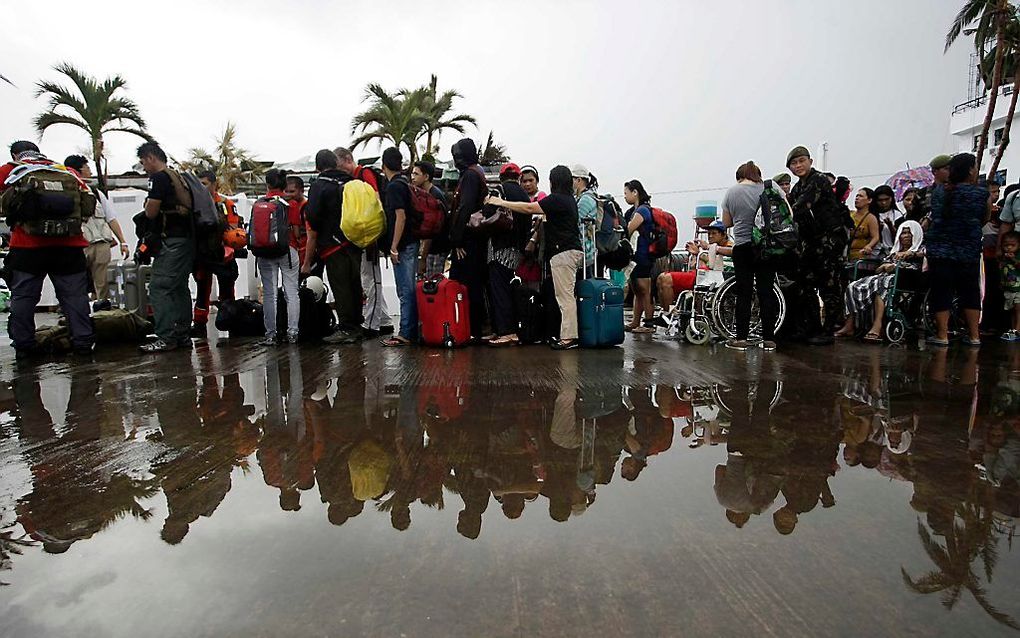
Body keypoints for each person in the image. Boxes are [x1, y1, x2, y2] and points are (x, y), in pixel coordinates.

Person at [0, 141, 95, 358]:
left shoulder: (11, 170)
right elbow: (88, 202)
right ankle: (82, 342)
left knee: (24, 297)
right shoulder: (65, 171)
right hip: (69, 247)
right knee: (75, 297)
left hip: (28, 247)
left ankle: (25, 345)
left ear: (16, 154)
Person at [486, 166, 582, 350]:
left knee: (565, 296)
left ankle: (569, 337)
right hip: (569, 251)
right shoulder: (568, 199)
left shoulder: (558, 199)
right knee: (565, 294)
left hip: (563, 252)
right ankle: (568, 335)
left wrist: (502, 202)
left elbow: (529, 208)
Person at [787, 145, 848, 345]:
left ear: (810, 162)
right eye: (794, 164)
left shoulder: (818, 180)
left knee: (829, 286)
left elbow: (801, 206)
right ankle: (811, 327)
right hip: (809, 244)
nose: (798, 166)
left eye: (801, 161)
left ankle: (828, 330)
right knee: (804, 286)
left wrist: (784, 213)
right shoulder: (797, 188)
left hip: (828, 241)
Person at [137, 141, 195, 353]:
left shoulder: (159, 178)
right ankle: (181, 334)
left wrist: (146, 207)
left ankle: (166, 336)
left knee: (160, 287)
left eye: (143, 162)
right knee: (178, 287)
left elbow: (151, 212)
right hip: (186, 240)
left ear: (151, 158)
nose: (144, 167)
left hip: (171, 240)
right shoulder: (178, 176)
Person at [303, 149, 364, 344]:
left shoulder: (320, 185)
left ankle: (347, 328)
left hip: (332, 244)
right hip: (354, 240)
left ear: (318, 166)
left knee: (341, 286)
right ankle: (357, 322)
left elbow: (312, 215)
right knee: (355, 284)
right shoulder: (350, 181)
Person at [925, 153, 985, 347]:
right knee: (970, 291)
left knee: (941, 291)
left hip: (940, 250)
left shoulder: (940, 192)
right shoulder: (981, 193)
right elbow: (983, 218)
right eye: (975, 167)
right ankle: (974, 335)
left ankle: (942, 335)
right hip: (968, 249)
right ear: (969, 170)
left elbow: (936, 216)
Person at [334, 146, 394, 339]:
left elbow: (374, 202)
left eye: (339, 165)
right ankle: (384, 321)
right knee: (369, 279)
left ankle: (371, 324)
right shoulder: (358, 177)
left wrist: (371, 233)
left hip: (370, 238)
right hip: (368, 236)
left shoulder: (364, 175)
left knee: (371, 281)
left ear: (347, 159)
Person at [722, 161, 779, 351]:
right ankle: (769, 338)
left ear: (740, 175)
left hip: (744, 246)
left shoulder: (732, 192)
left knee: (744, 292)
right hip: (767, 248)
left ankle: (741, 338)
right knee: (766, 291)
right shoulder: (770, 188)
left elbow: (727, 222)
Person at [836, 221, 924, 341]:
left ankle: (877, 325)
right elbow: (878, 270)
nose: (906, 236)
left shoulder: (920, 251)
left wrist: (902, 260)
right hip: (882, 277)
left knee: (881, 286)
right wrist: (885, 266)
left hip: (904, 279)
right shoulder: (893, 252)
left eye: (909, 233)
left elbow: (918, 266)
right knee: (852, 286)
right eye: (903, 233)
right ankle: (849, 325)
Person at [63, 155, 129, 308]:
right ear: (79, 170)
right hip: (77, 245)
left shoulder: (95, 193)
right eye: (87, 167)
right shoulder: (65, 192)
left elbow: (110, 218)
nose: (90, 171)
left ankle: (101, 313)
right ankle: (79, 313)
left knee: (102, 284)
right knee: (76, 282)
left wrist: (122, 241)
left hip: (100, 244)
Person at [448, 138, 489, 340]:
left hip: (468, 241)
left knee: (465, 285)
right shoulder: (475, 173)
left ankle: (470, 329)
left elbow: (465, 207)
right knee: (470, 285)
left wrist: (457, 239)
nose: (455, 159)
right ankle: (470, 328)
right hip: (472, 239)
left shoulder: (470, 176)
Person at [191, 170, 241, 336]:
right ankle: (199, 324)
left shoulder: (226, 205)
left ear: (214, 185)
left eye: (205, 184)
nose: (202, 188)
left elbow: (234, 230)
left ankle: (230, 320)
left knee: (227, 290)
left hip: (222, 253)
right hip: (202, 254)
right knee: (202, 290)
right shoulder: (194, 204)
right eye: (199, 184)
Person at [487, 163, 531, 346]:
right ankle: (511, 329)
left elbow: (488, 213)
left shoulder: (499, 190)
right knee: (508, 288)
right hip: (516, 250)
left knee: (500, 290)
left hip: (499, 248)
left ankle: (507, 331)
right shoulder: (524, 196)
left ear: (502, 176)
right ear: (518, 176)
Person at [257, 168, 302, 345]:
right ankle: (292, 332)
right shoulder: (290, 204)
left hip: (264, 251)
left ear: (267, 184)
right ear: (284, 185)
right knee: (291, 291)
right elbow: (297, 232)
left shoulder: (259, 203)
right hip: (287, 250)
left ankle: (271, 334)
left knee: (269, 294)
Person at [379, 147, 418, 347]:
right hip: (411, 242)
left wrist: (393, 246)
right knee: (408, 288)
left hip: (403, 245)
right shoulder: (405, 183)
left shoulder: (394, 186)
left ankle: (405, 333)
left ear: (383, 165)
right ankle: (412, 329)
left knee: (405, 290)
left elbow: (400, 217)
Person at [656, 221, 732, 314]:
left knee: (665, 279)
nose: (710, 236)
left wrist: (699, 253)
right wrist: (695, 256)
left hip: (711, 279)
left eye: (714, 233)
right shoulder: (710, 249)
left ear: (724, 235)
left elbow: (721, 267)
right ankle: (666, 312)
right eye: (709, 233)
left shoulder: (729, 247)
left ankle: (671, 314)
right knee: (660, 279)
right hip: (701, 276)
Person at [622, 180, 655, 333]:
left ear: (635, 192)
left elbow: (628, 230)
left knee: (644, 289)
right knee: (636, 289)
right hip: (636, 256)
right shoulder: (632, 211)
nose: (625, 196)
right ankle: (636, 321)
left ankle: (648, 324)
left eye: (626, 193)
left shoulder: (642, 210)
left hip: (643, 255)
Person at [411, 160, 449, 278]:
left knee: (432, 284)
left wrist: (423, 259)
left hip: (437, 249)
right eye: (412, 174)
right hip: (431, 249)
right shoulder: (424, 194)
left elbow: (431, 230)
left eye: (416, 174)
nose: (412, 177)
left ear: (426, 176)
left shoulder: (434, 197)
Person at [572, 165, 599, 278]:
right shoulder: (582, 197)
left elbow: (577, 222)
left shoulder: (585, 199)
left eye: (572, 179)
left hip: (585, 252)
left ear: (579, 180)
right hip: (586, 252)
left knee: (584, 284)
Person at [848, 188, 881, 262]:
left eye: (861, 196)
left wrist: (869, 246)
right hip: (847, 254)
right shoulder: (850, 215)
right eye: (857, 196)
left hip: (860, 256)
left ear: (869, 200)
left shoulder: (871, 218)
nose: (857, 198)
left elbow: (875, 237)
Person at [1000, 231, 1020, 341]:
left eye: (1012, 245)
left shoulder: (1017, 256)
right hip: (1008, 287)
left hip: (1018, 287)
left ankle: (1017, 330)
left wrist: (1013, 259)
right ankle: (1013, 329)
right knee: (1012, 309)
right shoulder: (1003, 257)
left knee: (1018, 308)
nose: (1009, 248)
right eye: (1006, 245)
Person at [873, 185, 902, 254]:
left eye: (887, 199)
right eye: (880, 200)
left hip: (893, 252)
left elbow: (900, 238)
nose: (884, 203)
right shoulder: (872, 216)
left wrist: (890, 226)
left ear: (891, 198)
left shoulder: (898, 215)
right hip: (876, 253)